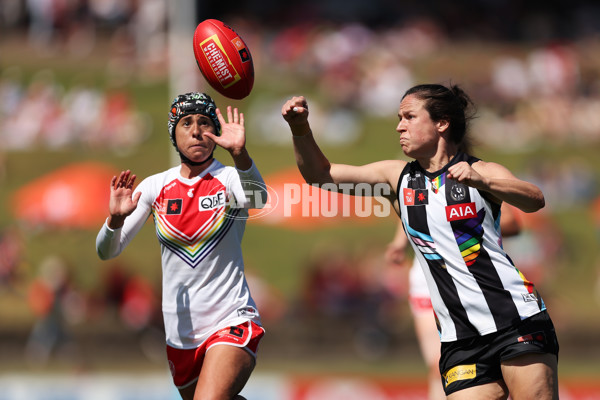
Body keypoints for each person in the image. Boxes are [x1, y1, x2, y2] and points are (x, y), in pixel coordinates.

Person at [281, 83, 559, 399]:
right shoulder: (395, 177)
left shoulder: (482, 170)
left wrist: (486, 181)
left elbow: (535, 200)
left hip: (516, 319)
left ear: (441, 123)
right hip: (460, 338)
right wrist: (300, 128)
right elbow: (321, 176)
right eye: (399, 117)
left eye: (410, 117)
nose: (400, 126)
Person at [96, 92, 267, 400]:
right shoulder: (154, 187)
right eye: (186, 123)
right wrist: (115, 220)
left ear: (215, 133)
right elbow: (107, 251)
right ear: (173, 133)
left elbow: (258, 199)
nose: (197, 130)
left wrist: (241, 155)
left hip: (231, 319)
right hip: (181, 337)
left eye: (205, 122)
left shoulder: (229, 178)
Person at [385, 202, 521, 400]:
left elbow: (512, 224)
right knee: (438, 365)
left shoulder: (474, 176)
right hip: (428, 281)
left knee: (487, 366)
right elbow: (408, 205)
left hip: (475, 283)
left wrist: (459, 223)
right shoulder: (413, 176)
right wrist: (400, 241)